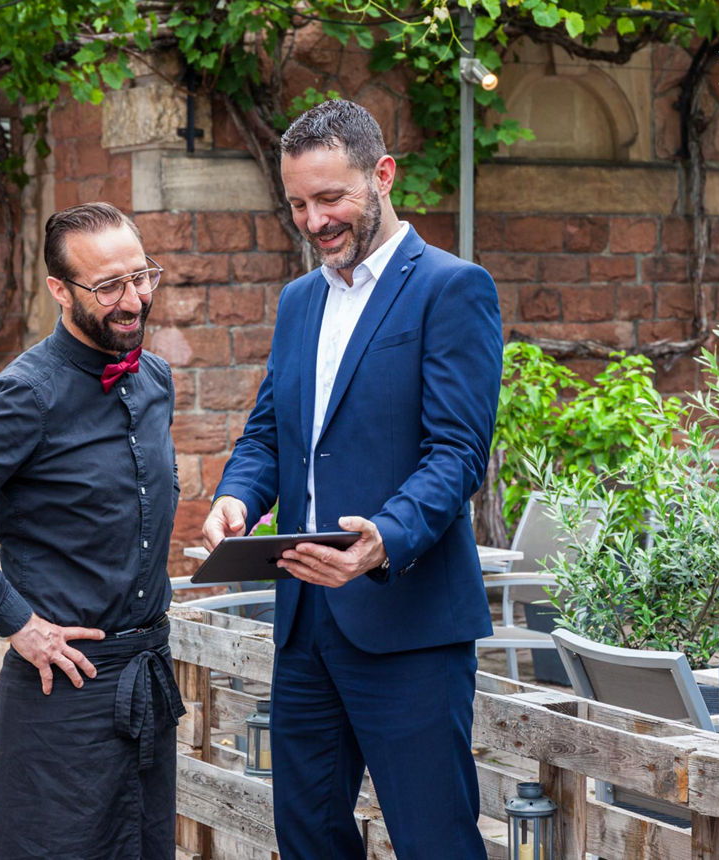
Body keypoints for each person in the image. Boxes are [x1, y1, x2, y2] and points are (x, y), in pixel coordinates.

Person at [202, 99, 502, 859]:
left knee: (435, 842)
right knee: (308, 841)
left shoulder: (451, 288)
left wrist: (384, 539)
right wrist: (237, 498)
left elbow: (457, 454)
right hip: (304, 629)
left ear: (383, 176)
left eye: (331, 198)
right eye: (299, 203)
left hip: (409, 625)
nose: (314, 220)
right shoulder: (298, 301)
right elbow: (271, 433)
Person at [0, 202, 184, 860]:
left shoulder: (156, 380)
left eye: (142, 277)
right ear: (59, 290)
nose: (132, 300)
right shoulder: (25, 394)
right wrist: (16, 621)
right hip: (63, 695)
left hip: (147, 679)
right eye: (108, 286)